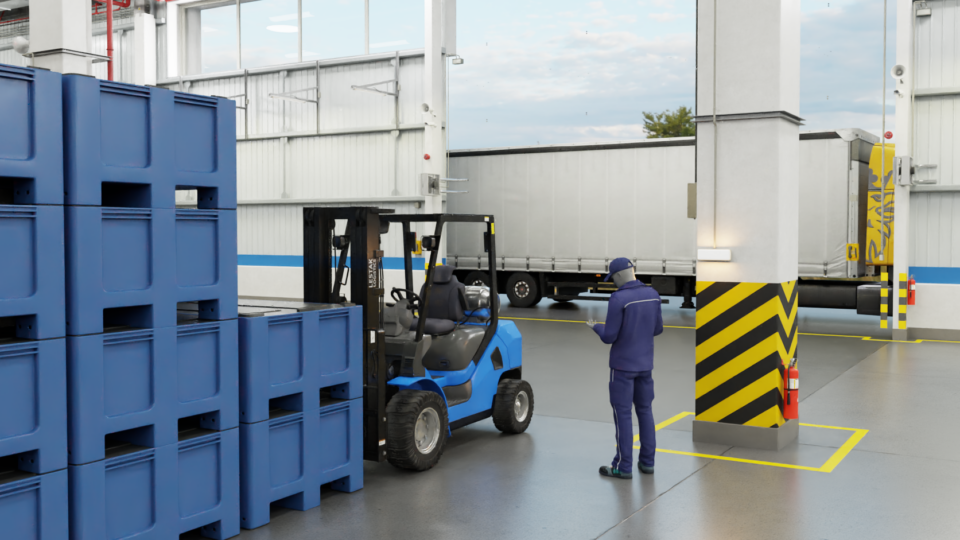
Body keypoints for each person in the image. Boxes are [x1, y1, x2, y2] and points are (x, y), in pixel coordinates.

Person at [588, 257, 663, 479]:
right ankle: (648, 463)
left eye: (613, 279)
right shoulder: (653, 295)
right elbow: (657, 329)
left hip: (622, 367)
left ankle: (623, 466)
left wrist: (596, 327)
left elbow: (609, 336)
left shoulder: (618, 298)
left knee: (623, 415)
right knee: (645, 411)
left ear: (619, 276)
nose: (613, 283)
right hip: (645, 365)